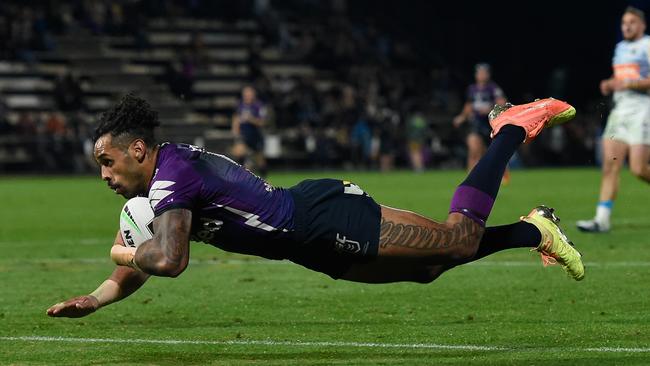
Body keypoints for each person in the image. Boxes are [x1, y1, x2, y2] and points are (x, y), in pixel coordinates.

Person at [46, 94, 584, 318]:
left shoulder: (172, 179)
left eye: (107, 161)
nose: (104, 175)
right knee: (429, 269)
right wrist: (96, 299)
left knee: (457, 239)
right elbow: (149, 249)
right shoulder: (157, 192)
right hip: (310, 244)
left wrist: (118, 256)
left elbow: (165, 260)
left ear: (136, 150)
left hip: (321, 219)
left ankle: (511, 127)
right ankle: (532, 230)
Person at [577, 7, 650, 233]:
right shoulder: (620, 48)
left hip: (642, 110)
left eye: (632, 22)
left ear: (642, 25)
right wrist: (609, 83)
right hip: (620, 112)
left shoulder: (647, 45)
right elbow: (620, 77)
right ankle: (602, 219)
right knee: (610, 165)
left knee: (638, 169)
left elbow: (637, 80)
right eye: (623, 23)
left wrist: (627, 84)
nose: (627, 26)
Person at [453, 64, 508, 176]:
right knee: (473, 149)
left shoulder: (493, 88)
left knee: (488, 153)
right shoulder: (472, 89)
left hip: (490, 123)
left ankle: (498, 173)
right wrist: (462, 117)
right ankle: (470, 179)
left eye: (484, 73)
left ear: (488, 74)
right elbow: (468, 105)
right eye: (479, 73)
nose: (481, 75)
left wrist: (490, 109)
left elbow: (502, 103)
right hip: (476, 123)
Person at [231, 86, 268, 177]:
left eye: (249, 93)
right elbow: (236, 118)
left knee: (260, 161)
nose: (247, 95)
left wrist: (250, 119)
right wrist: (235, 130)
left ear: (253, 95)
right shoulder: (240, 105)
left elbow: (262, 122)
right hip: (244, 135)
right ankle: (242, 177)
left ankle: (264, 180)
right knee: (239, 152)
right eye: (245, 93)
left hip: (256, 135)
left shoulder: (258, 106)